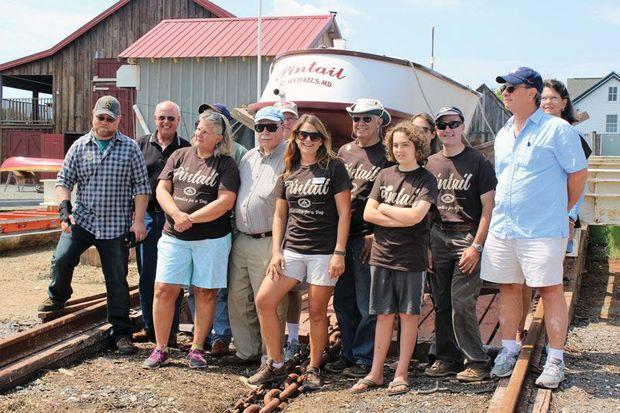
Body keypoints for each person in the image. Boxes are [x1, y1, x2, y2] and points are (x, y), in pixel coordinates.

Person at [481, 67, 588, 389]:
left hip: (542, 229)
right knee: (509, 287)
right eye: (504, 89)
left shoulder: (557, 130)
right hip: (504, 227)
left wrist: (561, 212)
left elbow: (578, 176)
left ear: (532, 92)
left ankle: (556, 359)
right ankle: (510, 348)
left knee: (550, 290)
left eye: (512, 88)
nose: (506, 94)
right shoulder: (502, 134)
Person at [38, 95, 150, 355]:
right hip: (84, 220)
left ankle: (121, 332)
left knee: (116, 281)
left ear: (119, 120)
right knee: (62, 258)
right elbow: (64, 181)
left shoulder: (130, 148)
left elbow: (142, 188)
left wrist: (138, 221)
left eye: (110, 119)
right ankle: (58, 297)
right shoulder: (79, 146)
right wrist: (64, 209)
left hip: (115, 226)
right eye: (101, 117)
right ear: (93, 116)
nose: (105, 122)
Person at [247, 114, 352, 390]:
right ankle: (276, 364)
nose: (308, 139)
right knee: (265, 301)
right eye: (303, 135)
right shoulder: (289, 169)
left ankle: (315, 367)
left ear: (322, 140)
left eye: (314, 135)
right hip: (292, 249)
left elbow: (344, 213)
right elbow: (280, 216)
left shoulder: (334, 167)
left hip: (323, 252)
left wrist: (339, 252)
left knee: (317, 311)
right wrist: (276, 252)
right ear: (295, 138)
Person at [142, 111, 239, 369]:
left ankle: (197, 348)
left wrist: (191, 218)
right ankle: (160, 347)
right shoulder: (179, 155)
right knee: (164, 289)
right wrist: (175, 214)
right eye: (197, 128)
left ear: (218, 137)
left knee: (205, 292)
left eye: (205, 131)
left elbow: (225, 202)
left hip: (211, 239)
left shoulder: (226, 164)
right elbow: (162, 188)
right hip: (174, 236)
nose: (198, 133)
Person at [351, 121, 437, 395]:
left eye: (405, 145)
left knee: (408, 315)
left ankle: (401, 373)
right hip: (382, 256)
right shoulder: (385, 175)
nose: (400, 150)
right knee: (384, 314)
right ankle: (376, 372)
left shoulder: (426, 179)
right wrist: (401, 216)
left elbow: (417, 217)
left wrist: (386, 210)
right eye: (396, 145)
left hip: (410, 258)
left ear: (417, 147)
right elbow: (368, 214)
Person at [515, 79, 593, 343]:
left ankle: (549, 337)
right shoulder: (530, 131)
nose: (547, 102)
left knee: (550, 282)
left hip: (557, 217)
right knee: (524, 278)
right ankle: (521, 327)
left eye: (553, 99)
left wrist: (569, 214)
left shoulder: (569, 134)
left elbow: (579, 179)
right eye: (544, 98)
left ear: (564, 103)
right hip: (528, 221)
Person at [424, 106, 496, 382]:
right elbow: (427, 209)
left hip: (467, 235)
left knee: (462, 301)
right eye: (442, 125)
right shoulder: (430, 163)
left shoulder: (477, 161)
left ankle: (477, 360)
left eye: (453, 123)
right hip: (437, 235)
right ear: (436, 130)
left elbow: (488, 207)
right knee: (441, 301)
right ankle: (447, 358)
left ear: (462, 126)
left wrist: (477, 246)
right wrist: (428, 246)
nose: (448, 129)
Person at [326, 98, 391, 378]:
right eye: (356, 118)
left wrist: (378, 233)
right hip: (342, 236)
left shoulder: (387, 155)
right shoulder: (344, 151)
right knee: (343, 300)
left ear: (380, 121)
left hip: (368, 237)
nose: (360, 123)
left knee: (368, 303)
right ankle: (348, 352)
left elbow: (396, 196)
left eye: (367, 118)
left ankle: (365, 357)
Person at [227, 106, 288, 364]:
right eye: (260, 127)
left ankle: (270, 355)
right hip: (242, 237)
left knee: (270, 301)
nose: (264, 132)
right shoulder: (248, 157)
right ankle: (246, 351)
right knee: (239, 298)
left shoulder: (289, 158)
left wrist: (280, 248)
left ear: (283, 129)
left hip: (269, 240)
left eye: (271, 127)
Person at [186, 103, 248, 356]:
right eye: (202, 120)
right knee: (194, 284)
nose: (204, 125)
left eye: (213, 120)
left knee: (217, 284)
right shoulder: (189, 153)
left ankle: (221, 334)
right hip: (193, 228)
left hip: (225, 225)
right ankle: (199, 332)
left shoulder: (239, 153)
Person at [134, 101, 190, 346]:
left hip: (173, 217)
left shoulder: (187, 148)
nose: (166, 122)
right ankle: (150, 328)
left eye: (171, 118)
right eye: (161, 118)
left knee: (172, 276)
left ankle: (171, 330)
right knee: (147, 275)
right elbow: (132, 181)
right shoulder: (140, 145)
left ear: (178, 121)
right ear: (154, 119)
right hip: (146, 215)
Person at [274, 100, 305, 361]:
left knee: (293, 291)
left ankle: (293, 338)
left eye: (290, 118)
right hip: (267, 231)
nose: (286, 122)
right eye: (281, 118)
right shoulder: (259, 150)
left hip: (294, 234)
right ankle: (271, 344)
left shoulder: (297, 153)